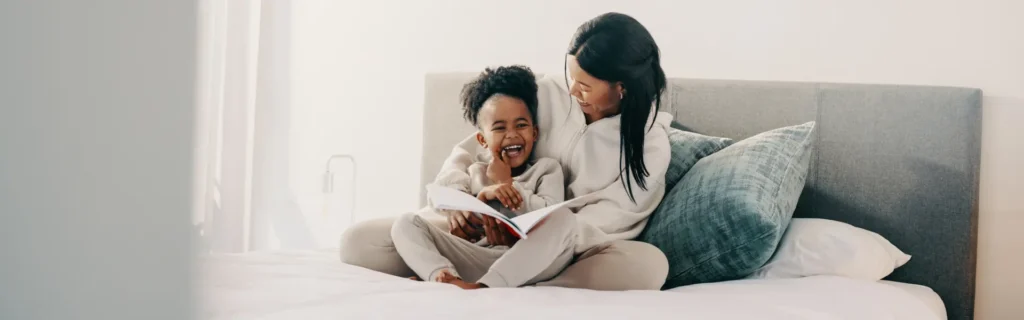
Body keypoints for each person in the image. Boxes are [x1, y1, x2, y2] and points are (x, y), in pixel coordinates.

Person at [341, 12, 673, 290]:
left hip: (561, 250)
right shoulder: (544, 94)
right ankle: (466, 277)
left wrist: (526, 231)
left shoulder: (650, 145)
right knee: (359, 242)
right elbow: (469, 152)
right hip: (482, 236)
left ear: (622, 87)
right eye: (570, 76)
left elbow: (612, 223)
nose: (572, 91)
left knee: (650, 266)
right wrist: (457, 204)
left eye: (584, 85)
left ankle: (501, 283)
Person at [391, 65, 576, 289]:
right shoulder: (474, 171)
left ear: (534, 133)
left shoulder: (547, 169)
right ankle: (444, 276)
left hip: (525, 262)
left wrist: (505, 184)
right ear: (482, 140)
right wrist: (477, 202)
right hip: (477, 256)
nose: (512, 134)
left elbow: (547, 214)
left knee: (564, 218)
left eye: (521, 125)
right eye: (499, 128)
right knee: (405, 223)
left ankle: (486, 286)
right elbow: (453, 209)